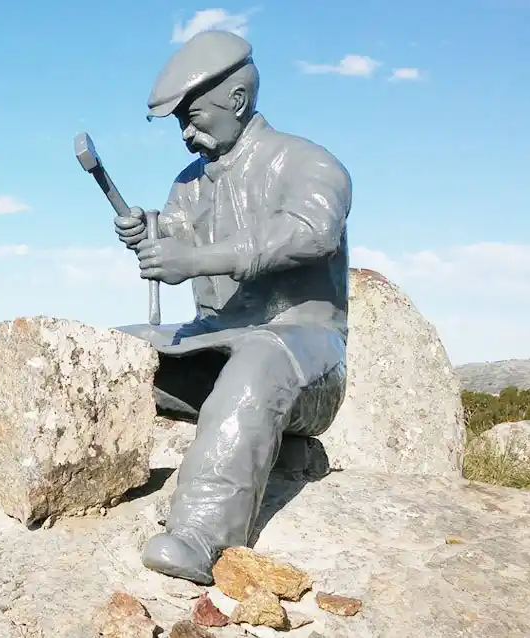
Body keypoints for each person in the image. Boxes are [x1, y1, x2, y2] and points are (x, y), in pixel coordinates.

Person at [112, 29, 352, 585]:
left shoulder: (309, 164)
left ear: (238, 102)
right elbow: (174, 230)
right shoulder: (189, 183)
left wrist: (194, 260)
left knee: (259, 361)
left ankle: (201, 537)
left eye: (193, 117)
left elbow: (311, 234)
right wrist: (147, 229)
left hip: (303, 351)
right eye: (179, 124)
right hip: (214, 340)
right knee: (114, 352)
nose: (187, 134)